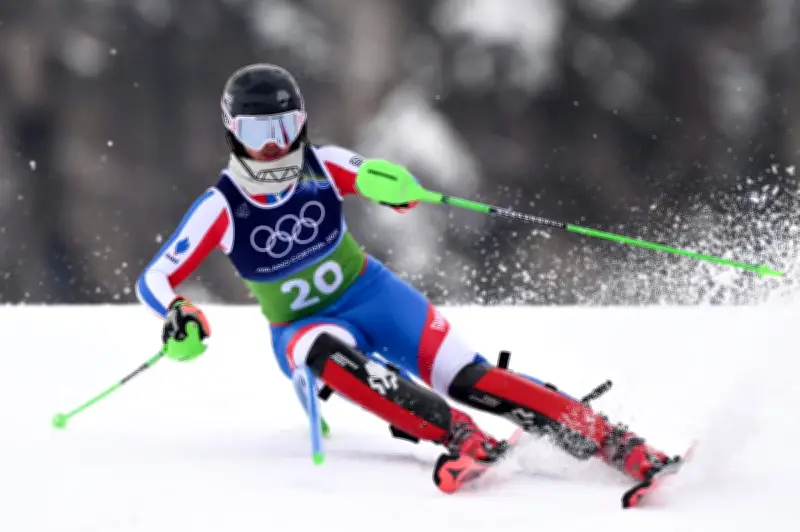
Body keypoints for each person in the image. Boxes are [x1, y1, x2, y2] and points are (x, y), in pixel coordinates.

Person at [135, 63, 678, 493]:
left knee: (470, 378)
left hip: (374, 296)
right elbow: (155, 279)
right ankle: (459, 436)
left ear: (301, 122)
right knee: (322, 350)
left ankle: (617, 443)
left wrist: (394, 187)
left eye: (286, 126)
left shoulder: (322, 164)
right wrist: (178, 312)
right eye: (259, 131)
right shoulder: (222, 206)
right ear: (233, 132)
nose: (275, 144)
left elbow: (380, 179)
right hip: (302, 325)